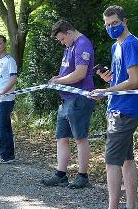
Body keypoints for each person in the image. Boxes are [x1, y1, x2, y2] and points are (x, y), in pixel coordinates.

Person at [88, 5, 138, 209]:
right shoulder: (117, 46)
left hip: (124, 110)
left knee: (112, 161)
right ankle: (131, 208)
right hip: (118, 107)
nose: (111, 28)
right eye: (107, 25)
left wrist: (106, 91)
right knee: (126, 159)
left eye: (114, 23)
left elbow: (134, 81)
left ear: (125, 21)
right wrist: (109, 81)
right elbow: (122, 79)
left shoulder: (131, 44)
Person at [40, 20, 96, 189]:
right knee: (61, 138)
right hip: (66, 99)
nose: (62, 43)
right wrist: (59, 82)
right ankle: (60, 174)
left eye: (63, 39)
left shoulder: (82, 44)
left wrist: (58, 81)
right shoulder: (70, 46)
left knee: (80, 138)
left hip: (79, 98)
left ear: (70, 33)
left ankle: (82, 176)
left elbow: (80, 73)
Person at [0, 35, 18, 163]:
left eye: (0, 43)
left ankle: (6, 156)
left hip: (6, 99)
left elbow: (13, 79)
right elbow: (0, 80)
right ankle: (7, 154)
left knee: (3, 127)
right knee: (4, 127)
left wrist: (1, 93)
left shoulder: (9, 60)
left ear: (4, 44)